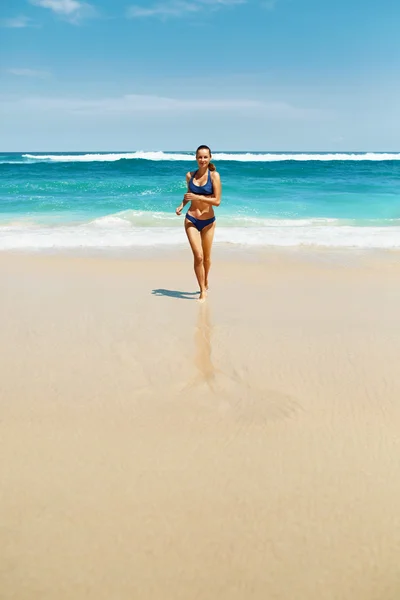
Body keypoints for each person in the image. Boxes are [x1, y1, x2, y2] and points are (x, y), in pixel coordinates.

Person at [175, 145, 222, 302]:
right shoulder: (190, 175)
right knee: (198, 256)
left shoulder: (214, 176)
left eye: (205, 157)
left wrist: (198, 197)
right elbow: (189, 195)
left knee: (207, 258)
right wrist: (182, 205)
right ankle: (202, 290)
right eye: (199, 157)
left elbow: (217, 201)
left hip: (208, 222)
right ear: (196, 158)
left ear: (210, 158)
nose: (202, 160)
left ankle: (205, 280)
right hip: (192, 219)